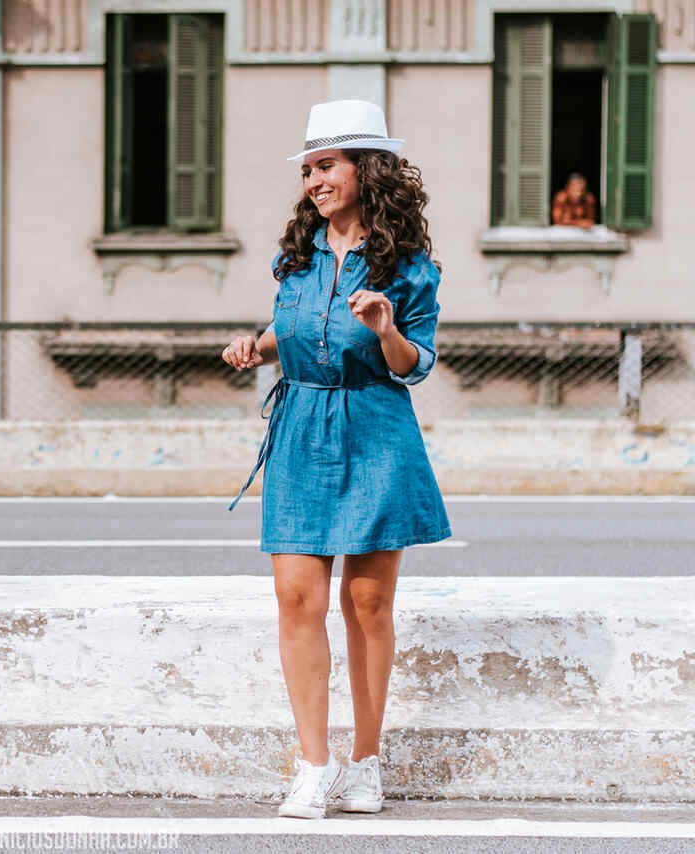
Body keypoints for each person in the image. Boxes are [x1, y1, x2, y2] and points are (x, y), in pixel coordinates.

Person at [221, 100, 451, 819]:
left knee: (368, 601)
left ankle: (366, 762)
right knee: (297, 598)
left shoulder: (410, 267)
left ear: (365, 170)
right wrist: (254, 345)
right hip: (302, 428)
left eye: (326, 166)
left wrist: (384, 327)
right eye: (310, 169)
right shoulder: (298, 253)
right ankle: (312, 766)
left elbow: (416, 364)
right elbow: (295, 325)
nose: (315, 180)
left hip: (377, 427)